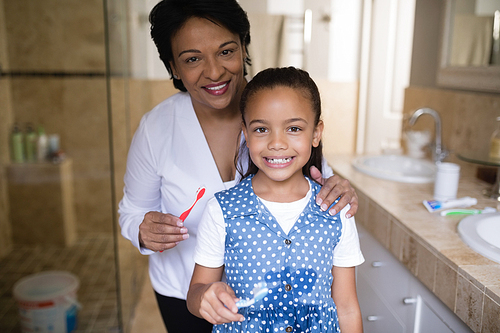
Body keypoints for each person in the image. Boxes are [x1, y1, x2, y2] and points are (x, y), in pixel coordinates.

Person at [118, 1, 359, 332]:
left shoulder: (279, 108)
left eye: (226, 52)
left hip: (276, 303)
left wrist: (339, 189)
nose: (214, 72)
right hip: (185, 291)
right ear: (173, 67)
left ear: (244, 47)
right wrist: (143, 231)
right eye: (192, 59)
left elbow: (317, 183)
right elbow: (131, 211)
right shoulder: (156, 128)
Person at [187, 67, 364, 333]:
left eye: (293, 128)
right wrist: (205, 297)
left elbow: (347, 306)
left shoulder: (336, 210)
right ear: (245, 133)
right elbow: (195, 294)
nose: (277, 143)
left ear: (316, 133)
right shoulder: (221, 210)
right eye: (261, 129)